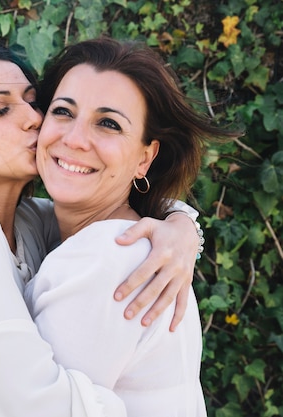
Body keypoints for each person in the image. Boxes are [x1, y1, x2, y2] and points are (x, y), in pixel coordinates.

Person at [0, 39, 203, 416]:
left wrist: (182, 227)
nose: (34, 119)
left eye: (34, 102)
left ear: (145, 157)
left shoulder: (34, 223)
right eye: (0, 110)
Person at [24, 38, 238, 416]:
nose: (74, 139)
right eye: (63, 111)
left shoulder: (110, 257)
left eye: (108, 123)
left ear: (145, 158)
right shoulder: (58, 227)